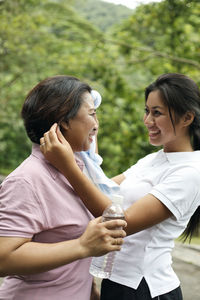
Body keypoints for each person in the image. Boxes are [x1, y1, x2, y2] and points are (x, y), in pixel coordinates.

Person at [40, 73, 200, 300]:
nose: (147, 121)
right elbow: (103, 189)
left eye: (157, 113)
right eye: (147, 111)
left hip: (144, 288)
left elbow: (119, 223)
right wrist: (87, 147)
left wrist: (67, 165)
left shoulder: (191, 172)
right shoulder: (153, 160)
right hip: (116, 283)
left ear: (187, 118)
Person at [0, 75, 127, 300]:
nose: (97, 124)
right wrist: (82, 246)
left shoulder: (77, 169)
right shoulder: (27, 180)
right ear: (64, 121)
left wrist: (89, 289)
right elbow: (4, 259)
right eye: (92, 114)